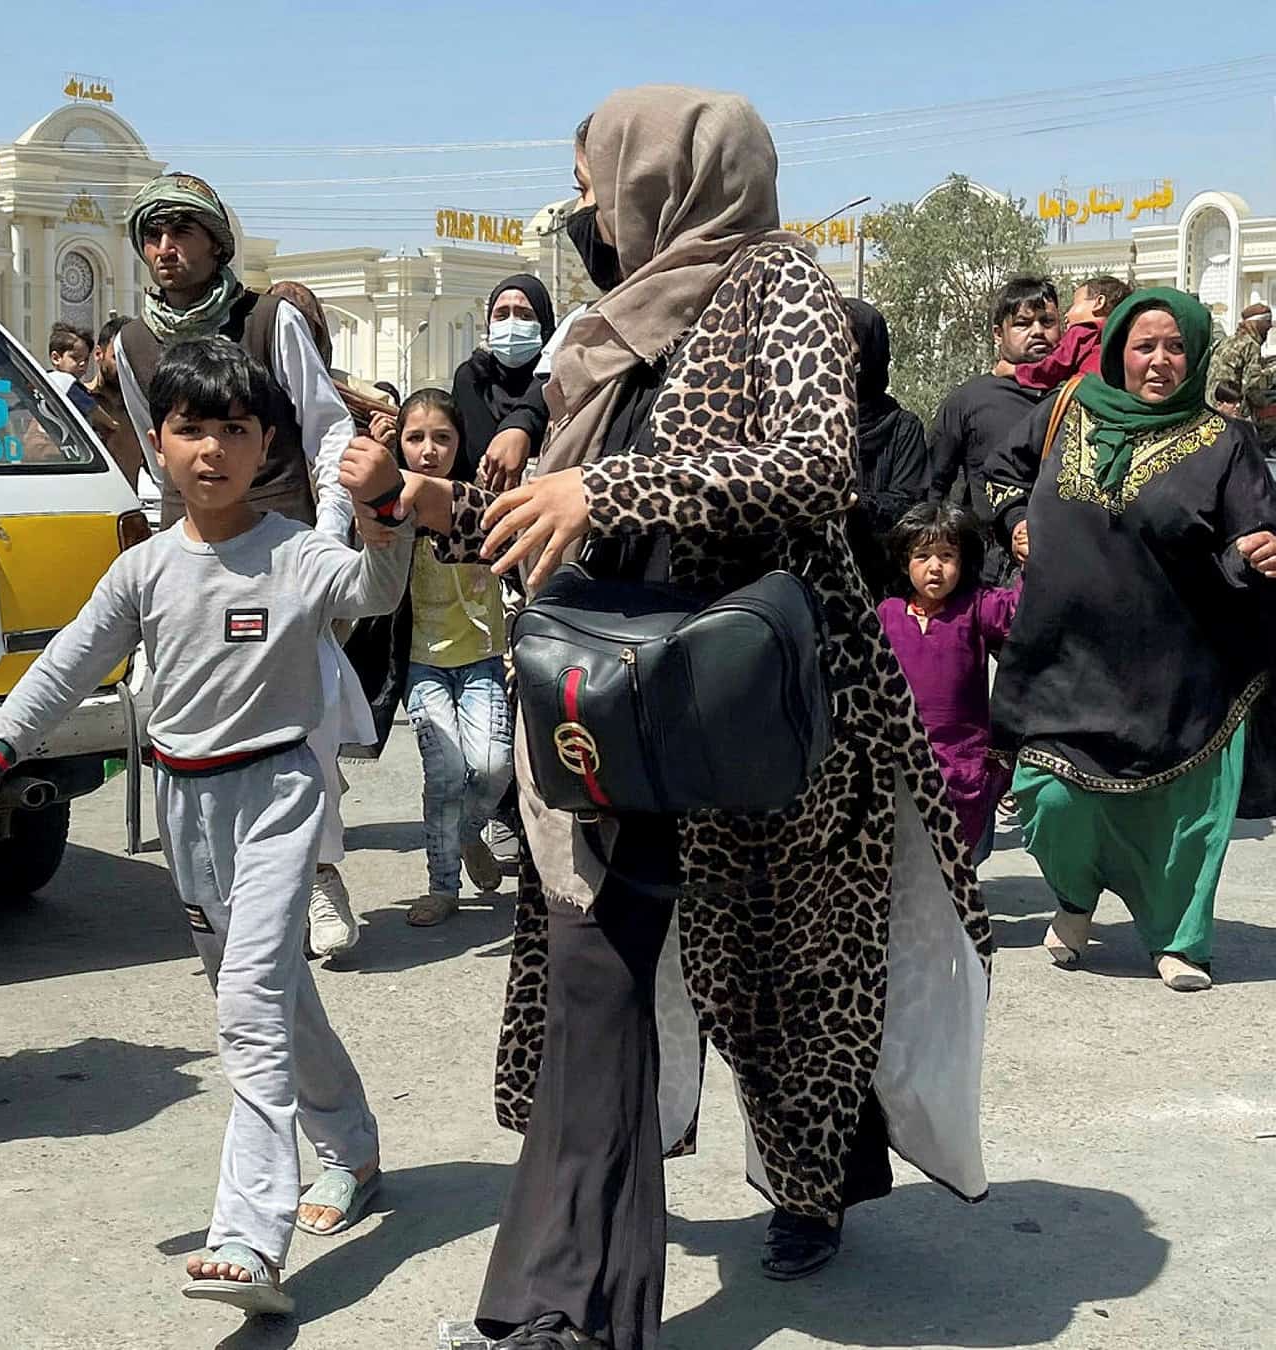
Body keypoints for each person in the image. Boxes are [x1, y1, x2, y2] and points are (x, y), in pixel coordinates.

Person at [344, 86, 993, 1350]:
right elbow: (568, 539)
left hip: (766, 717)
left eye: (594, 176)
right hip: (607, 710)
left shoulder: (778, 284)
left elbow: (815, 464)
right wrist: (422, 503)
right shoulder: (602, 329)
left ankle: (817, 1184)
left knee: (785, 984)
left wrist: (613, 480)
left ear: (663, 173)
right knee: (595, 986)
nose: (584, 203)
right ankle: (565, 1306)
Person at [0, 336, 406, 1319]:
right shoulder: (144, 573)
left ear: (266, 441)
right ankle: (352, 1149)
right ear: (158, 443)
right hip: (188, 810)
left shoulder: (299, 556)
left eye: (235, 430)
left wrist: (381, 508)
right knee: (271, 997)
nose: (212, 450)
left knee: (249, 1012)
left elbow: (376, 592)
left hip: (277, 797)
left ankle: (245, 1237)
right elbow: (64, 666)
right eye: (191, 429)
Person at [111, 172, 374, 958]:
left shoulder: (268, 319)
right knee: (193, 719)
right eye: (152, 235)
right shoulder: (130, 342)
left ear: (216, 242)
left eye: (182, 232)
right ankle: (228, 891)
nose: (166, 249)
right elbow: (153, 449)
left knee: (307, 717)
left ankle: (319, 873)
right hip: (192, 557)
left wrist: (327, 536)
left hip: (284, 543)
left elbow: (326, 427)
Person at [987, 288, 1276, 993]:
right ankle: (1077, 898)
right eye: (1145, 345)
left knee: (1181, 813)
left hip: (1177, 669)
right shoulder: (1069, 409)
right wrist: (1016, 519)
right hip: (1065, 658)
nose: (1160, 360)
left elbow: (1250, 538)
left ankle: (1180, 940)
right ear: (1118, 348)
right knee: (1049, 799)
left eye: (1176, 346)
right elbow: (1001, 474)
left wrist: (1257, 554)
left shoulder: (1225, 444)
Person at [387, 389, 510, 926]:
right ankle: (442, 887)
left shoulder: (480, 503)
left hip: (483, 657)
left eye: (442, 438)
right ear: (399, 443)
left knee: (492, 766)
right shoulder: (391, 510)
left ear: (460, 443)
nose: (429, 450)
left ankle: (463, 839)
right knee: (445, 771)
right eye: (415, 438)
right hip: (423, 664)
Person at [876, 502, 1020, 861]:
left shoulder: (976, 607)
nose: (935, 568)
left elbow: (1021, 609)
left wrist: (1028, 558)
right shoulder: (887, 614)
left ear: (964, 561)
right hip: (899, 767)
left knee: (958, 869)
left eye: (946, 555)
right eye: (922, 555)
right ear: (903, 561)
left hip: (963, 769)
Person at [929, 277, 1061, 583]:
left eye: (1047, 321)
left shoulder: (1077, 396)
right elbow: (934, 489)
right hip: (990, 575)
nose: (1038, 331)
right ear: (997, 334)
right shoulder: (969, 400)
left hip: (1068, 565)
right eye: (1023, 323)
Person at [844, 299, 938, 594]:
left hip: (880, 586)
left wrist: (855, 502)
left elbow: (909, 506)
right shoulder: (806, 422)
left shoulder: (902, 428)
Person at [451, 274, 558, 493]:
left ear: (545, 325)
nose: (511, 324)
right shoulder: (471, 379)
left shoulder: (559, 381)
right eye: (501, 315)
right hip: (479, 513)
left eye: (525, 315)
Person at [1013, 275, 1130, 394]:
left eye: (1074, 304)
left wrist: (1015, 371)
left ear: (1099, 303)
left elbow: (1054, 367)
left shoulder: (1083, 330)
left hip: (1086, 395)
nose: (1066, 314)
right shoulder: (1123, 338)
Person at [84, 314, 146, 485]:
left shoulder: (141, 408)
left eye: (132, 360)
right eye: (117, 358)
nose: (126, 366)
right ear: (98, 354)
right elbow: (37, 451)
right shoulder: (77, 401)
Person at [1206, 300, 1273, 434]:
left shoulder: (1228, 341)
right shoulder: (1251, 345)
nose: (1269, 328)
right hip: (1230, 411)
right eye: (1267, 324)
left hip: (1210, 406)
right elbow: (1252, 386)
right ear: (1257, 324)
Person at [45, 321, 97, 413]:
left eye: (86, 359)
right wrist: (113, 424)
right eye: (75, 357)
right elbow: (94, 411)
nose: (82, 363)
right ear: (56, 358)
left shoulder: (46, 379)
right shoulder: (65, 382)